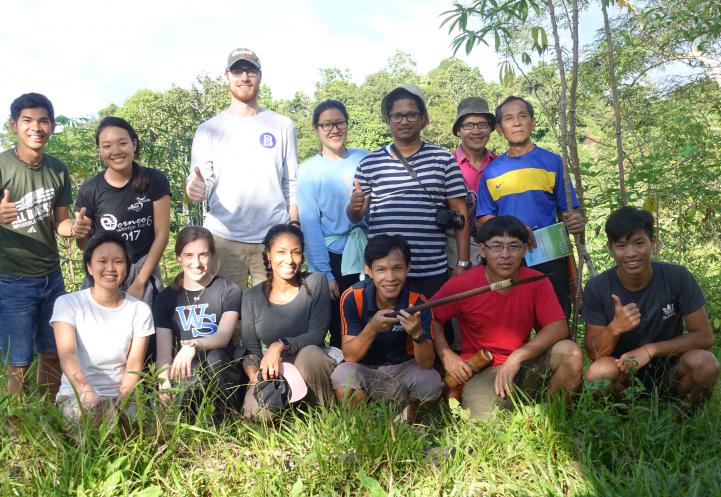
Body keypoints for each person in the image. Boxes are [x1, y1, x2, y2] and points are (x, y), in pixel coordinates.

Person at [431, 216, 583, 420]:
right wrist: (446, 354)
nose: (505, 255)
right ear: (483, 250)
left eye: (513, 246)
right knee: (485, 426)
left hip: (523, 364)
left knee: (570, 352)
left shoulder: (536, 281)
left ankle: (551, 420)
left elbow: (558, 327)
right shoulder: (464, 284)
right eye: (496, 247)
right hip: (483, 372)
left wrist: (517, 357)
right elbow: (432, 317)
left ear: (524, 250)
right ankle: (520, 411)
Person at [0, 92, 92, 395]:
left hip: (51, 277)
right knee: (17, 360)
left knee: (53, 350)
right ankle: (16, 429)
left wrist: (75, 228)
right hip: (11, 278)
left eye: (43, 121)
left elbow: (60, 223)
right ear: (14, 125)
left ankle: (45, 414)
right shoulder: (3, 165)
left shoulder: (58, 169)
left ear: (52, 126)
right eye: (27, 120)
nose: (35, 127)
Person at [186, 47, 299, 291]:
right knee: (227, 316)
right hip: (223, 238)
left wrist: (293, 229)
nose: (244, 77)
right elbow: (198, 181)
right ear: (226, 76)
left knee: (272, 318)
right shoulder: (208, 129)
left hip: (273, 239)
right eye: (237, 71)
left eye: (250, 71)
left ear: (260, 76)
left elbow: (291, 183)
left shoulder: (282, 125)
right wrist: (195, 188)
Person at [583, 207, 719, 406]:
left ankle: (683, 421)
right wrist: (615, 329)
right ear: (610, 248)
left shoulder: (677, 277)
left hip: (673, 370)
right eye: (621, 246)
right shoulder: (598, 287)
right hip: (623, 372)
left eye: (639, 243)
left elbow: (704, 337)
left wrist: (650, 350)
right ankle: (622, 424)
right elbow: (594, 353)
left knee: (706, 363)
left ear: (652, 242)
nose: (631, 253)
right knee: (597, 373)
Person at [347, 84, 469, 300]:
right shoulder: (369, 163)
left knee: (432, 330)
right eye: (397, 116)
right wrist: (354, 208)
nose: (404, 121)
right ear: (388, 119)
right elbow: (356, 216)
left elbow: (461, 214)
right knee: (387, 331)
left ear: (423, 118)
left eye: (411, 114)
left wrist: (462, 262)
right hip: (386, 275)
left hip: (431, 271)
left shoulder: (443, 160)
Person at [476, 95, 584, 315]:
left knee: (555, 315)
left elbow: (570, 210)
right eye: (509, 118)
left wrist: (577, 219)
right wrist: (516, 231)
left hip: (550, 254)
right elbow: (485, 220)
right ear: (499, 128)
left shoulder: (552, 162)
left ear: (532, 122)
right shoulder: (491, 172)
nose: (516, 122)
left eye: (522, 116)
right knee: (513, 318)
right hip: (508, 258)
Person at [331, 234, 442, 424]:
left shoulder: (418, 301)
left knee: (431, 381)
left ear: (408, 268)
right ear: (369, 270)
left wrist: (417, 335)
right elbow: (350, 356)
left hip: (405, 369)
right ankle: (365, 424)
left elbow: (426, 363)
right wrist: (372, 328)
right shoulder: (352, 297)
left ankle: (407, 421)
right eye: (381, 269)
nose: (390, 278)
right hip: (365, 369)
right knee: (342, 374)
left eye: (397, 268)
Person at [51, 231, 154, 422]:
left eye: (118, 261)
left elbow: (134, 366)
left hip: (121, 396)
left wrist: (121, 402)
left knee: (137, 429)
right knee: (89, 423)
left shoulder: (140, 310)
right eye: (102, 261)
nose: (110, 268)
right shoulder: (67, 304)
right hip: (78, 394)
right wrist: (86, 390)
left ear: (127, 268)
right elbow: (67, 356)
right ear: (89, 266)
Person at [241, 224, 334, 420]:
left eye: (296, 252)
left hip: (310, 363)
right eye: (281, 252)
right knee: (256, 414)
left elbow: (317, 335)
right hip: (274, 370)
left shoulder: (316, 282)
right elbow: (252, 351)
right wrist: (253, 375)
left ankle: (324, 416)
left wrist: (279, 345)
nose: (289, 260)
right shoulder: (251, 297)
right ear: (268, 254)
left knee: (311, 355)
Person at [75, 116, 170, 305]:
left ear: (134, 144)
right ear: (100, 150)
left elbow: (162, 235)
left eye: (122, 143)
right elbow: (85, 246)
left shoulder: (155, 180)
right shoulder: (89, 190)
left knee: (145, 330)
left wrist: (141, 281)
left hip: (144, 267)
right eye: (107, 145)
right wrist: (79, 233)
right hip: (105, 271)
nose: (116, 151)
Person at [297, 99, 369, 348]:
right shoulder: (308, 171)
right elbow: (310, 225)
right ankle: (346, 382)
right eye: (326, 124)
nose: (334, 129)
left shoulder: (366, 159)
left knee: (372, 316)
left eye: (339, 123)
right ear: (316, 129)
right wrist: (324, 274)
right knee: (341, 326)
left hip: (368, 252)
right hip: (334, 256)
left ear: (347, 125)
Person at [153, 226, 245, 414]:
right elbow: (163, 353)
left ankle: (227, 417)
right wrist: (164, 383)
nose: (196, 263)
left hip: (223, 369)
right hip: (188, 371)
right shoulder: (165, 298)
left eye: (203, 255)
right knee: (187, 375)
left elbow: (223, 336)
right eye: (189, 255)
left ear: (212, 255)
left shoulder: (228, 290)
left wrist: (192, 346)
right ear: (179, 256)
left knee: (215, 358)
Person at [446, 97, 497, 269]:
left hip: (496, 249)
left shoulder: (500, 165)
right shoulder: (446, 165)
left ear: (491, 128)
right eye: (468, 125)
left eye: (482, 124)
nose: (476, 131)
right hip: (454, 251)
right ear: (458, 131)